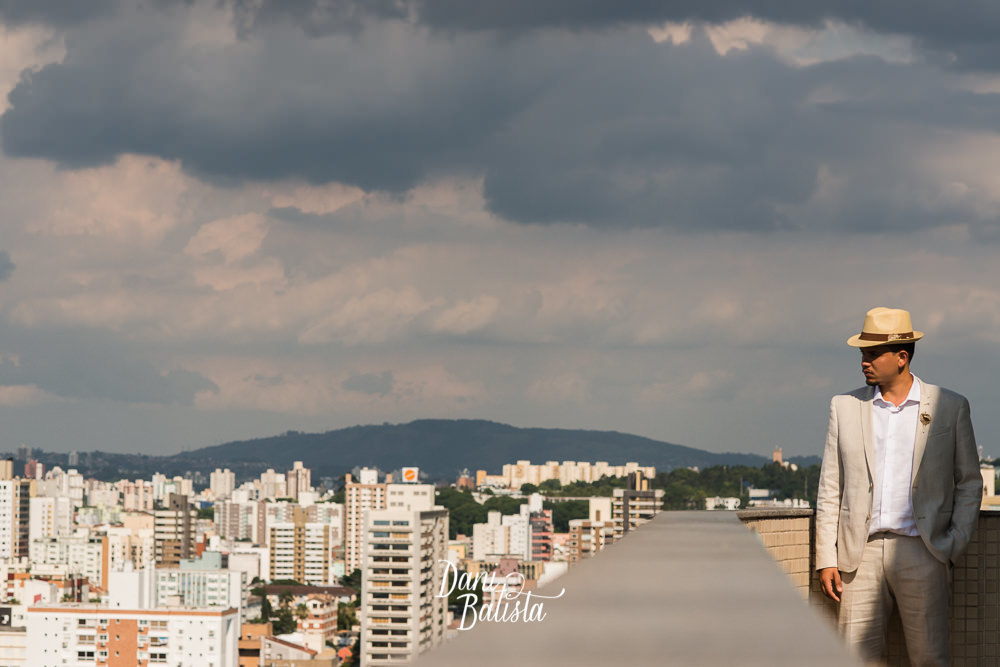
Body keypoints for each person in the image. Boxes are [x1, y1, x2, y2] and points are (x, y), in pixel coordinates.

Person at [815, 307, 982, 666]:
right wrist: (826, 558)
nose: (864, 361)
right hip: (858, 557)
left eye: (873, 353)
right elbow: (831, 486)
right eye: (862, 353)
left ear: (902, 357)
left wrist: (951, 545)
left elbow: (969, 482)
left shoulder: (949, 406)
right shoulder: (844, 406)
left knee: (930, 659)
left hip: (924, 551)